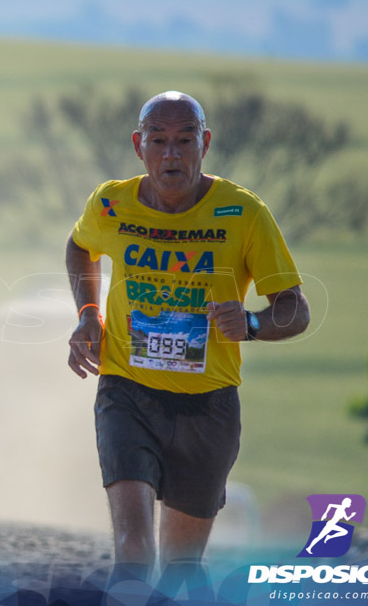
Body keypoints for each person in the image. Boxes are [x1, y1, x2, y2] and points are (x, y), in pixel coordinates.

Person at [65, 91, 310, 590]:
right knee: (132, 549)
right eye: (159, 141)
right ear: (139, 145)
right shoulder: (111, 203)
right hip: (126, 391)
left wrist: (254, 324)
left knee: (180, 567)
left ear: (206, 144)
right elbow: (79, 247)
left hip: (208, 407)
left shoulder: (243, 214)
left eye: (184, 141)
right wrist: (89, 313)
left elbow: (296, 309)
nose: (171, 155)